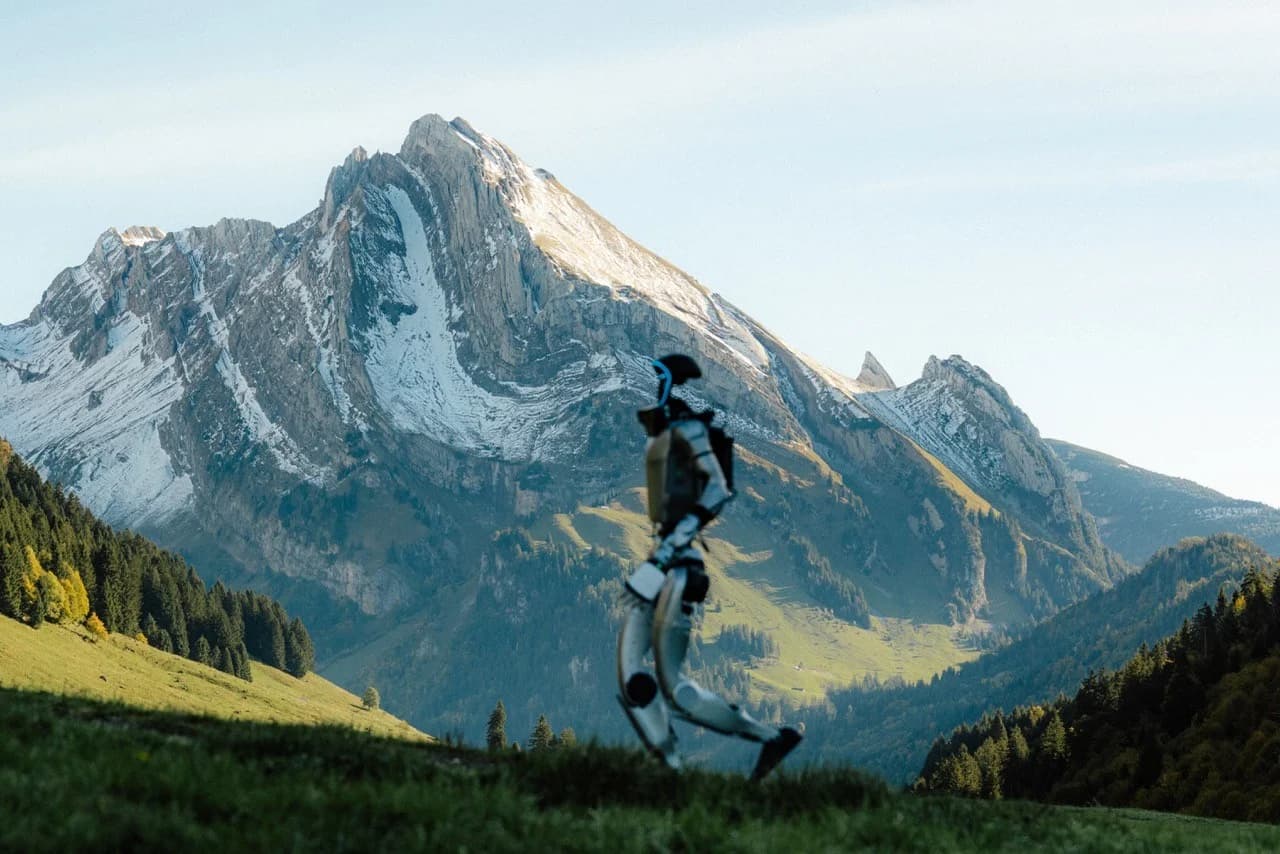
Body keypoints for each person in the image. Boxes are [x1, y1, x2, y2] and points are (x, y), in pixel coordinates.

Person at [616, 353, 803, 780]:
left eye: (659, 378)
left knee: (674, 685)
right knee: (632, 677)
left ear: (672, 383)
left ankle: (770, 737)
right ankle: (672, 768)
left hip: (678, 567)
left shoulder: (688, 431)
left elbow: (717, 489)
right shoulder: (666, 432)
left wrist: (662, 559)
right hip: (663, 562)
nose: (653, 385)